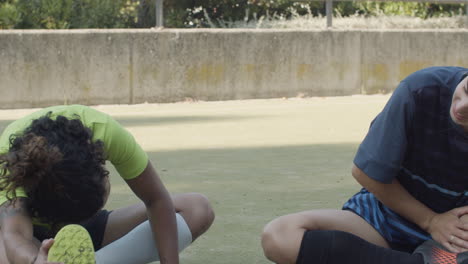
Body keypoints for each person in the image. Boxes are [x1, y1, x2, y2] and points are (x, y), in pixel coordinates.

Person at [261, 66, 468, 264]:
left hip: (456, 237)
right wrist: (431, 221)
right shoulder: (421, 88)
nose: (460, 107)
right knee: (280, 235)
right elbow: (365, 173)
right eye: (466, 90)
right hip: (383, 220)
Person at [0, 105, 215, 264]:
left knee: (197, 208)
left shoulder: (105, 132)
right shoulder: (12, 159)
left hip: (90, 232)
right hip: (32, 236)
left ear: (99, 166)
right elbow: (15, 234)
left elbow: (157, 200)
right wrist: (34, 261)